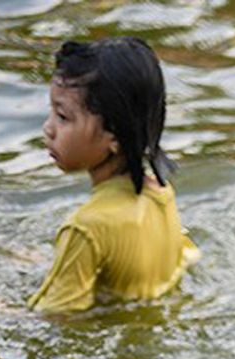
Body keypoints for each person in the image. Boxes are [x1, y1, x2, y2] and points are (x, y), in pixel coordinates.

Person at [30, 37, 198, 313]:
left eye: (62, 117)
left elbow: (54, 319)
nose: (48, 128)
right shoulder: (160, 191)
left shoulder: (85, 228)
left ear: (115, 136)